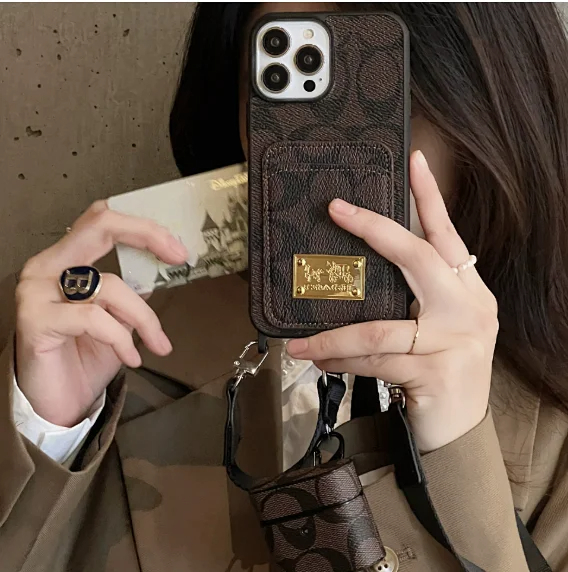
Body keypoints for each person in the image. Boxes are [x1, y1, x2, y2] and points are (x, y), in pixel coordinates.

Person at [2, 3, 568, 571]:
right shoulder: (73, 330)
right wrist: (45, 431)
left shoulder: (552, 420)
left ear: (486, 107)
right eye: (283, 87)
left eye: (377, 91)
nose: (325, 142)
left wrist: (458, 456)